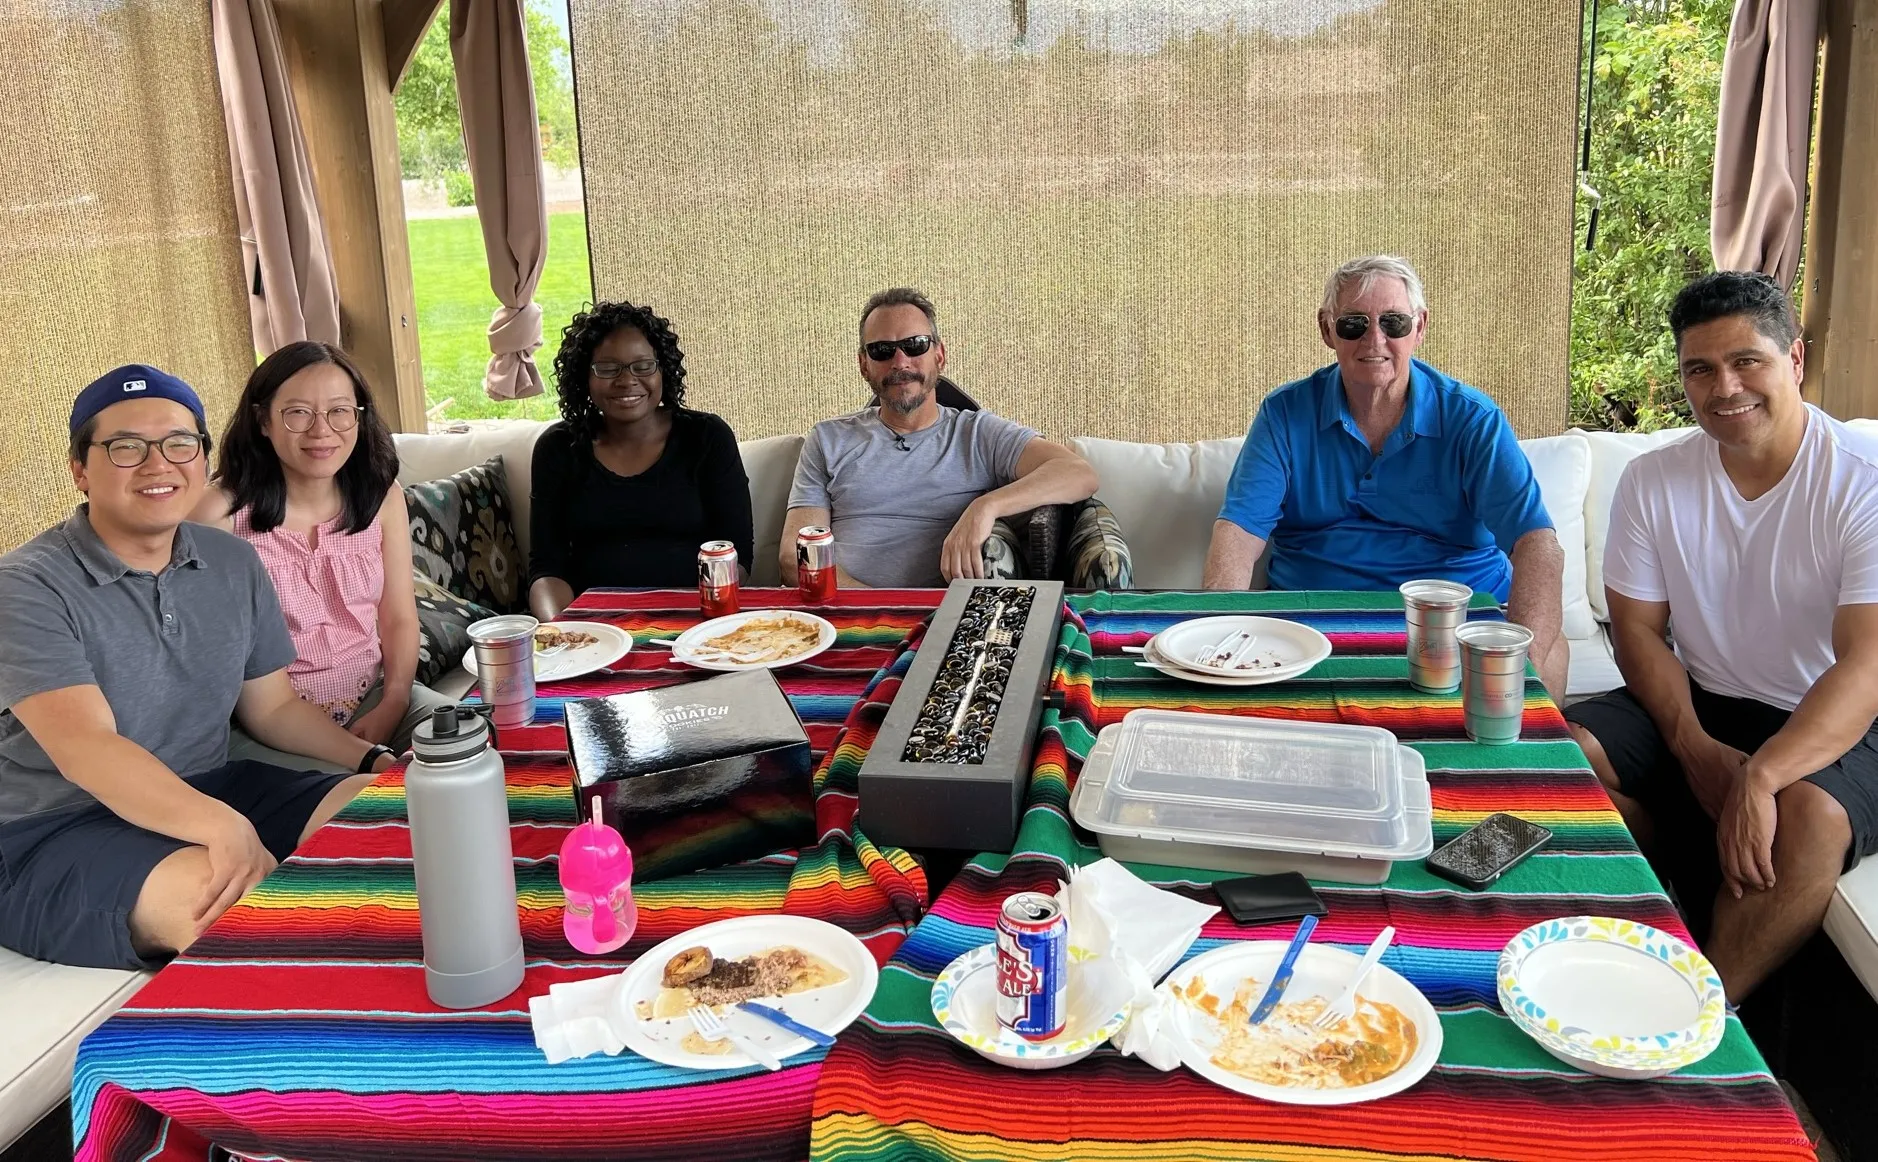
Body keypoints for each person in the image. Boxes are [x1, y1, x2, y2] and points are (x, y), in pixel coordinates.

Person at [0, 366, 398, 969]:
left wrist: (373, 762)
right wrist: (223, 827)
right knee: (245, 911)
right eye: (126, 447)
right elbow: (86, 746)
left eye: (179, 443)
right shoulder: (26, 587)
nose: (158, 463)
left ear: (203, 459)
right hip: (55, 829)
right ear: (80, 469)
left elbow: (274, 707)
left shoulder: (231, 560)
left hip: (206, 785)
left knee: (399, 815)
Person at [1564, 271, 1878, 1003]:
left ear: (1794, 360)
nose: (1724, 386)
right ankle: (1646, 927)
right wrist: (1694, 747)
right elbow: (1638, 631)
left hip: (1831, 716)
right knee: (1567, 754)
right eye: (1699, 369)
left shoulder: (1861, 483)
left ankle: (1703, 1015)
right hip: (1704, 694)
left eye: (1748, 362)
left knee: (1809, 816)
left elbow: (1866, 663)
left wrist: (1763, 776)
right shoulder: (1654, 480)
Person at [1202, 255, 1567, 702]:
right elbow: (1238, 532)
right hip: (1314, 626)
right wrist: (1217, 637)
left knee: (1551, 655)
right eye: (1354, 324)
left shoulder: (1472, 419)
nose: (1375, 339)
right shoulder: (1284, 414)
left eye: (1393, 322)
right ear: (1327, 330)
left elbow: (1537, 542)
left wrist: (1517, 656)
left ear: (1419, 327)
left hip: (1456, 624)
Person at [193, 341, 447, 755]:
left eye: (339, 411)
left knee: (478, 747)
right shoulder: (219, 514)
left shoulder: (379, 497)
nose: (321, 430)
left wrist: (394, 701)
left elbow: (398, 615)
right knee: (367, 802)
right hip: (269, 726)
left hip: (374, 699)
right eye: (297, 413)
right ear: (262, 421)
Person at [780, 287, 1098, 588]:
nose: (900, 362)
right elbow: (796, 558)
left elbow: (1078, 473)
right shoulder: (827, 439)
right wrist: (879, 610)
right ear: (864, 365)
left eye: (915, 345)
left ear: (939, 355)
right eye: (881, 351)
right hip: (845, 615)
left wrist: (985, 507)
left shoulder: (978, 434)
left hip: (940, 621)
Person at [528, 301, 753, 619]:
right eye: (608, 368)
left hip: (696, 619)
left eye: (643, 366)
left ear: (663, 369)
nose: (626, 380)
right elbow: (546, 567)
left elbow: (737, 553)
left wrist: (695, 621)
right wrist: (560, 631)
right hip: (593, 630)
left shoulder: (707, 437)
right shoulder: (558, 448)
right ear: (584, 376)